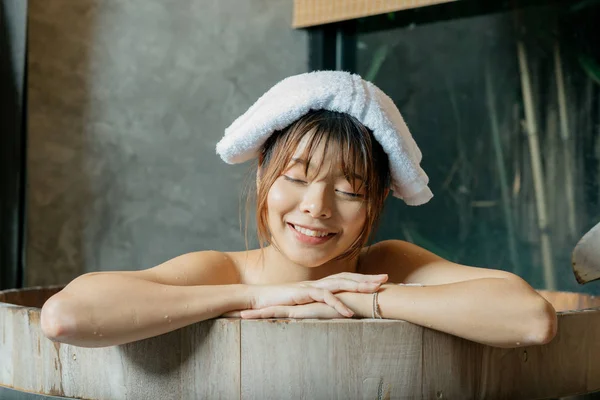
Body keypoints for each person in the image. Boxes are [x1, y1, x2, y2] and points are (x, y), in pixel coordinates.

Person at [40, 71, 557, 349]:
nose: (317, 208)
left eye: (350, 190)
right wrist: (262, 296)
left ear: (378, 199)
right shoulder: (223, 271)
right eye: (297, 177)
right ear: (265, 172)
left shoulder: (389, 268)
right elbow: (66, 317)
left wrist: (359, 302)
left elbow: (531, 320)